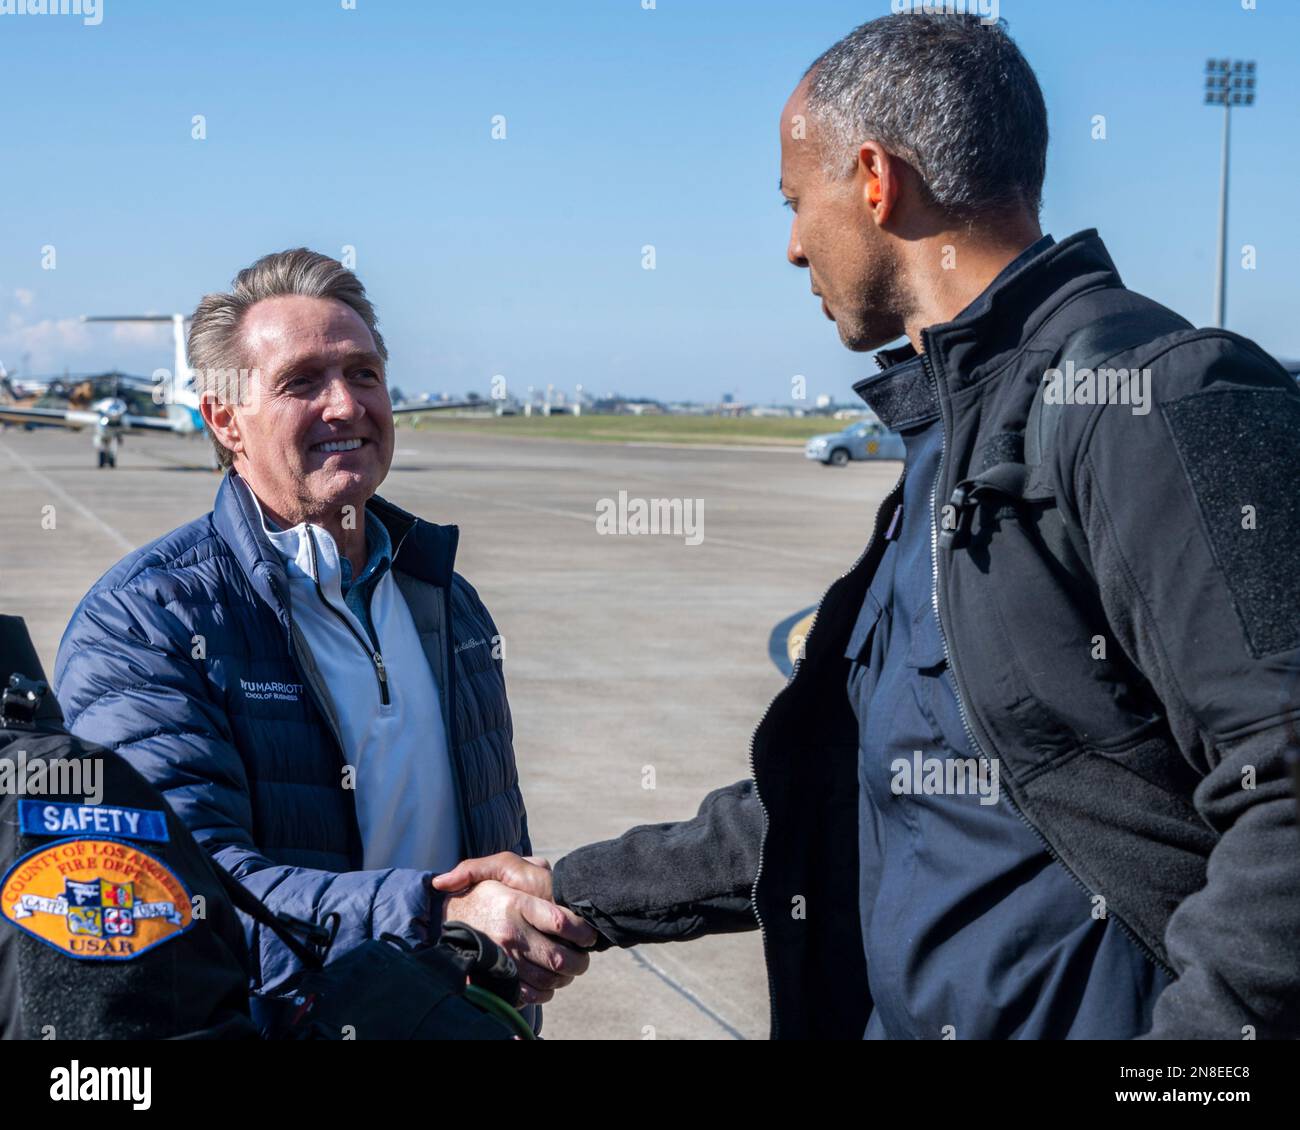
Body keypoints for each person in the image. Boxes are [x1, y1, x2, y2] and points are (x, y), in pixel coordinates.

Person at [438, 12, 1300, 1039]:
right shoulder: (959, 439)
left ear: (876, 180)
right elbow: (863, 783)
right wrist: (571, 889)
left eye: (798, 199)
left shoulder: (1145, 399)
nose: (794, 242)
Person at [54, 250, 594, 1011]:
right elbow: (180, 894)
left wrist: (514, 946)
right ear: (223, 419)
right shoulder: (145, 622)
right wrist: (439, 919)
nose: (345, 404)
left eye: (364, 373)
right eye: (302, 381)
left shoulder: (449, 600)